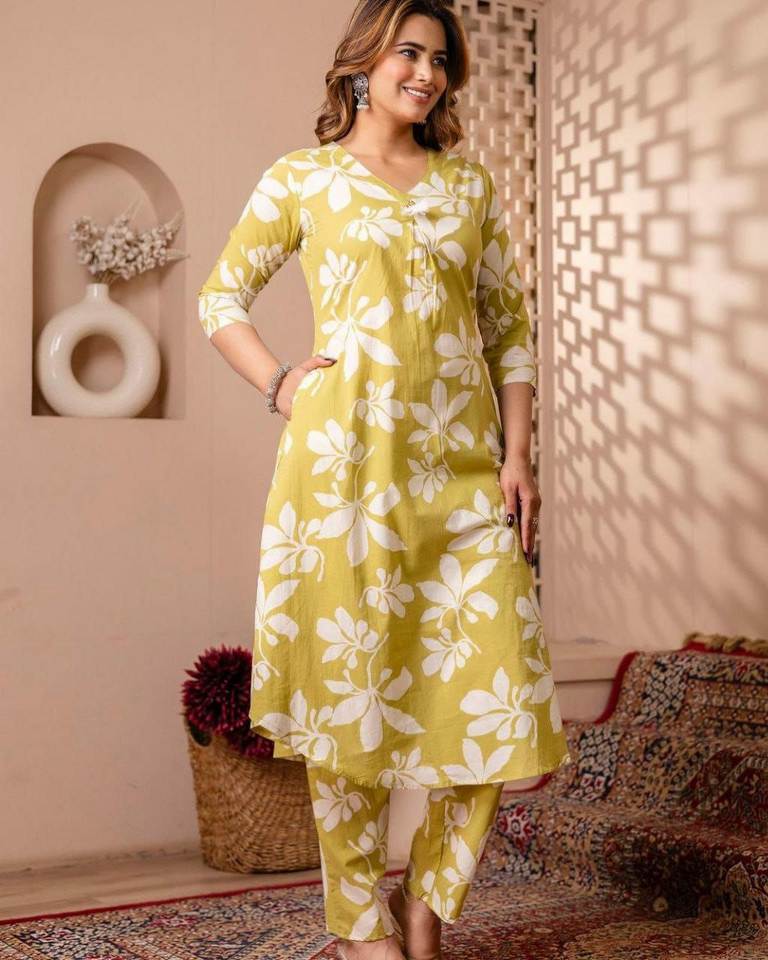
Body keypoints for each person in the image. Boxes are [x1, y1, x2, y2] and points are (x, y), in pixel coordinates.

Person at [197, 1, 572, 956]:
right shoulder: (304, 178)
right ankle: (361, 924)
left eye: (440, 60)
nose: (427, 74)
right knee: (348, 705)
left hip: (464, 476)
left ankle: (427, 900)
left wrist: (518, 457)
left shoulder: (468, 186)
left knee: (496, 691)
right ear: (363, 62)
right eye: (409, 52)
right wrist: (281, 383)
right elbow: (221, 297)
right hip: (345, 475)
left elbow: (509, 333)